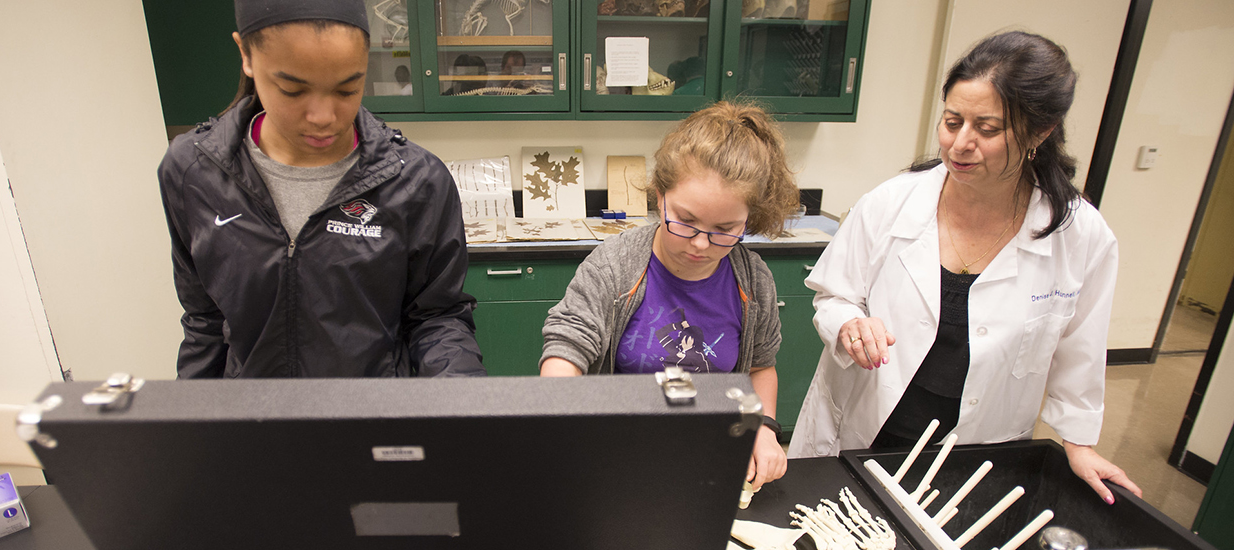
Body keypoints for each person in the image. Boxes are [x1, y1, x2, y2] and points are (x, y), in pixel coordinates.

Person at [787, 31, 1141, 504]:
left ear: (1041, 131)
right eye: (952, 121)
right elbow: (833, 295)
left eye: (987, 129)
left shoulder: (1078, 236)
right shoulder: (891, 203)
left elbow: (1079, 349)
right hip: (861, 434)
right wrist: (849, 323)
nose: (960, 144)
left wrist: (1078, 443)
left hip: (974, 454)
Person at [158, 0, 485, 379]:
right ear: (246, 55)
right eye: (293, 90)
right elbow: (206, 322)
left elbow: (437, 318)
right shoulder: (193, 172)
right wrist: (192, 427)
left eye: (348, 89)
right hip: (253, 425)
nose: (324, 117)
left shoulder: (415, 179)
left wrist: (460, 413)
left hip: (371, 422)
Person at [540, 101, 801, 491]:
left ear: (751, 219)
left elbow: (760, 367)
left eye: (724, 229)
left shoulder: (753, 281)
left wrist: (761, 427)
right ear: (659, 196)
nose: (700, 244)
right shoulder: (615, 266)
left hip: (708, 458)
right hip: (615, 455)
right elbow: (568, 345)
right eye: (686, 220)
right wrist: (560, 418)